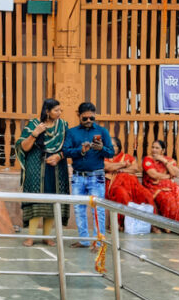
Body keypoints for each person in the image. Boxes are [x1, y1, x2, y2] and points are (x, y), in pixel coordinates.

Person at [15, 98, 70, 246]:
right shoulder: (34, 124)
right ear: (47, 111)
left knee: (54, 198)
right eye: (56, 110)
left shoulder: (63, 126)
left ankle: (47, 236)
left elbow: (68, 146)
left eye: (60, 110)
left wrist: (59, 156)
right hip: (36, 165)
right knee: (35, 198)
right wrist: (35, 133)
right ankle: (30, 237)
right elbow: (24, 147)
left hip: (57, 166)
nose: (59, 113)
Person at [63, 101, 114, 247]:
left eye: (91, 118)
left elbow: (111, 152)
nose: (88, 121)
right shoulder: (72, 132)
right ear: (79, 116)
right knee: (79, 210)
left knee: (98, 211)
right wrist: (81, 151)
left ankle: (98, 242)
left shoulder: (102, 131)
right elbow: (66, 151)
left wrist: (101, 148)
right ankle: (84, 241)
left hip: (96, 176)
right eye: (85, 118)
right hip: (78, 176)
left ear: (95, 116)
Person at [141, 140, 179, 225]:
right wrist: (168, 176)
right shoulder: (148, 160)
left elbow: (175, 173)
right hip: (154, 187)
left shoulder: (168, 160)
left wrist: (163, 161)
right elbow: (153, 175)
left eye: (157, 148)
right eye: (153, 147)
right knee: (169, 200)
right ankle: (173, 226)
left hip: (170, 186)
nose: (154, 150)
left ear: (163, 151)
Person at [104, 137, 155, 228]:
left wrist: (120, 170)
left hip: (133, 184)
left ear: (119, 147)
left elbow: (135, 168)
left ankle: (152, 224)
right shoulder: (105, 157)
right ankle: (123, 224)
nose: (111, 148)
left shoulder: (127, 156)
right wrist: (123, 164)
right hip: (115, 185)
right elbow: (107, 167)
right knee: (122, 194)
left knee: (147, 195)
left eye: (113, 146)